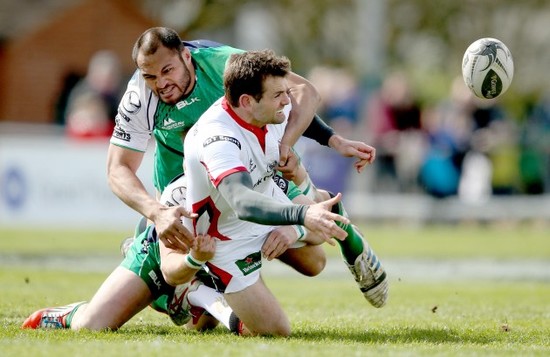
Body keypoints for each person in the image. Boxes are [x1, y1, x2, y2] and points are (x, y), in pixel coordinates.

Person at [108, 27, 387, 321]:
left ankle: (323, 209)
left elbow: (295, 92)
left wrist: (311, 141)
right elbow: (118, 168)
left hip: (247, 172)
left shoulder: (222, 63)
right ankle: (183, 273)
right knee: (196, 319)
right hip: (187, 188)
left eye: (168, 71)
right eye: (150, 76)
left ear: (187, 57)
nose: (161, 83)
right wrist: (155, 212)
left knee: (313, 262)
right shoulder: (139, 97)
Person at [176, 49, 360, 336]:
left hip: (266, 197)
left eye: (286, 93)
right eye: (278, 95)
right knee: (276, 332)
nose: (287, 101)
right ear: (247, 102)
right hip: (223, 235)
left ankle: (210, 291)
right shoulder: (218, 138)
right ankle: (199, 286)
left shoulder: (265, 108)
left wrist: (334, 140)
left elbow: (298, 114)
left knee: (316, 261)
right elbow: (242, 202)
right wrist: (302, 214)